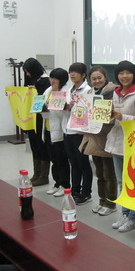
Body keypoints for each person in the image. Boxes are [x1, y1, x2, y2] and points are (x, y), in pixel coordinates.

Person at [105, 60, 135, 232]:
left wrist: (121, 116)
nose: (124, 76)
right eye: (121, 73)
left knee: (134, 183)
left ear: (134, 74)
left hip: (133, 143)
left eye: (128, 73)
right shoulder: (115, 92)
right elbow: (113, 116)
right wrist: (104, 115)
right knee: (122, 182)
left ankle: (134, 218)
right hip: (117, 142)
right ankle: (125, 213)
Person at [80, 66, 118, 216]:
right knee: (100, 173)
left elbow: (113, 115)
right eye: (94, 79)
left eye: (99, 78)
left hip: (107, 136)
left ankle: (111, 203)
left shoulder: (113, 91)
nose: (97, 81)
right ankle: (102, 201)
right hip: (94, 136)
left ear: (105, 77)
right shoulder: (89, 93)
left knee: (109, 173)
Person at [63, 63, 93, 204]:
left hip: (80, 132)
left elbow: (89, 109)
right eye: (71, 72)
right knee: (73, 163)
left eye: (75, 72)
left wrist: (76, 106)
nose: (72, 74)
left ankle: (86, 193)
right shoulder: (70, 90)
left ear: (83, 75)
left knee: (83, 163)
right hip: (68, 130)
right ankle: (75, 190)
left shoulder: (88, 90)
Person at [41, 68, 71, 198]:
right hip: (48, 128)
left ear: (62, 80)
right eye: (51, 78)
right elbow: (42, 106)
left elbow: (62, 113)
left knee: (61, 159)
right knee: (53, 158)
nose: (52, 81)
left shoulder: (65, 92)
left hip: (59, 129)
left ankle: (65, 185)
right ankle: (57, 183)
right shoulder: (48, 91)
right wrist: (41, 108)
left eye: (55, 79)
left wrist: (53, 106)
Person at [22, 57, 51, 186]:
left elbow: (43, 99)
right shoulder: (31, 79)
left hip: (40, 118)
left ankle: (43, 176)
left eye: (29, 71)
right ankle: (36, 173)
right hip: (31, 118)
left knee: (41, 144)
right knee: (34, 144)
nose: (28, 74)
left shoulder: (45, 81)